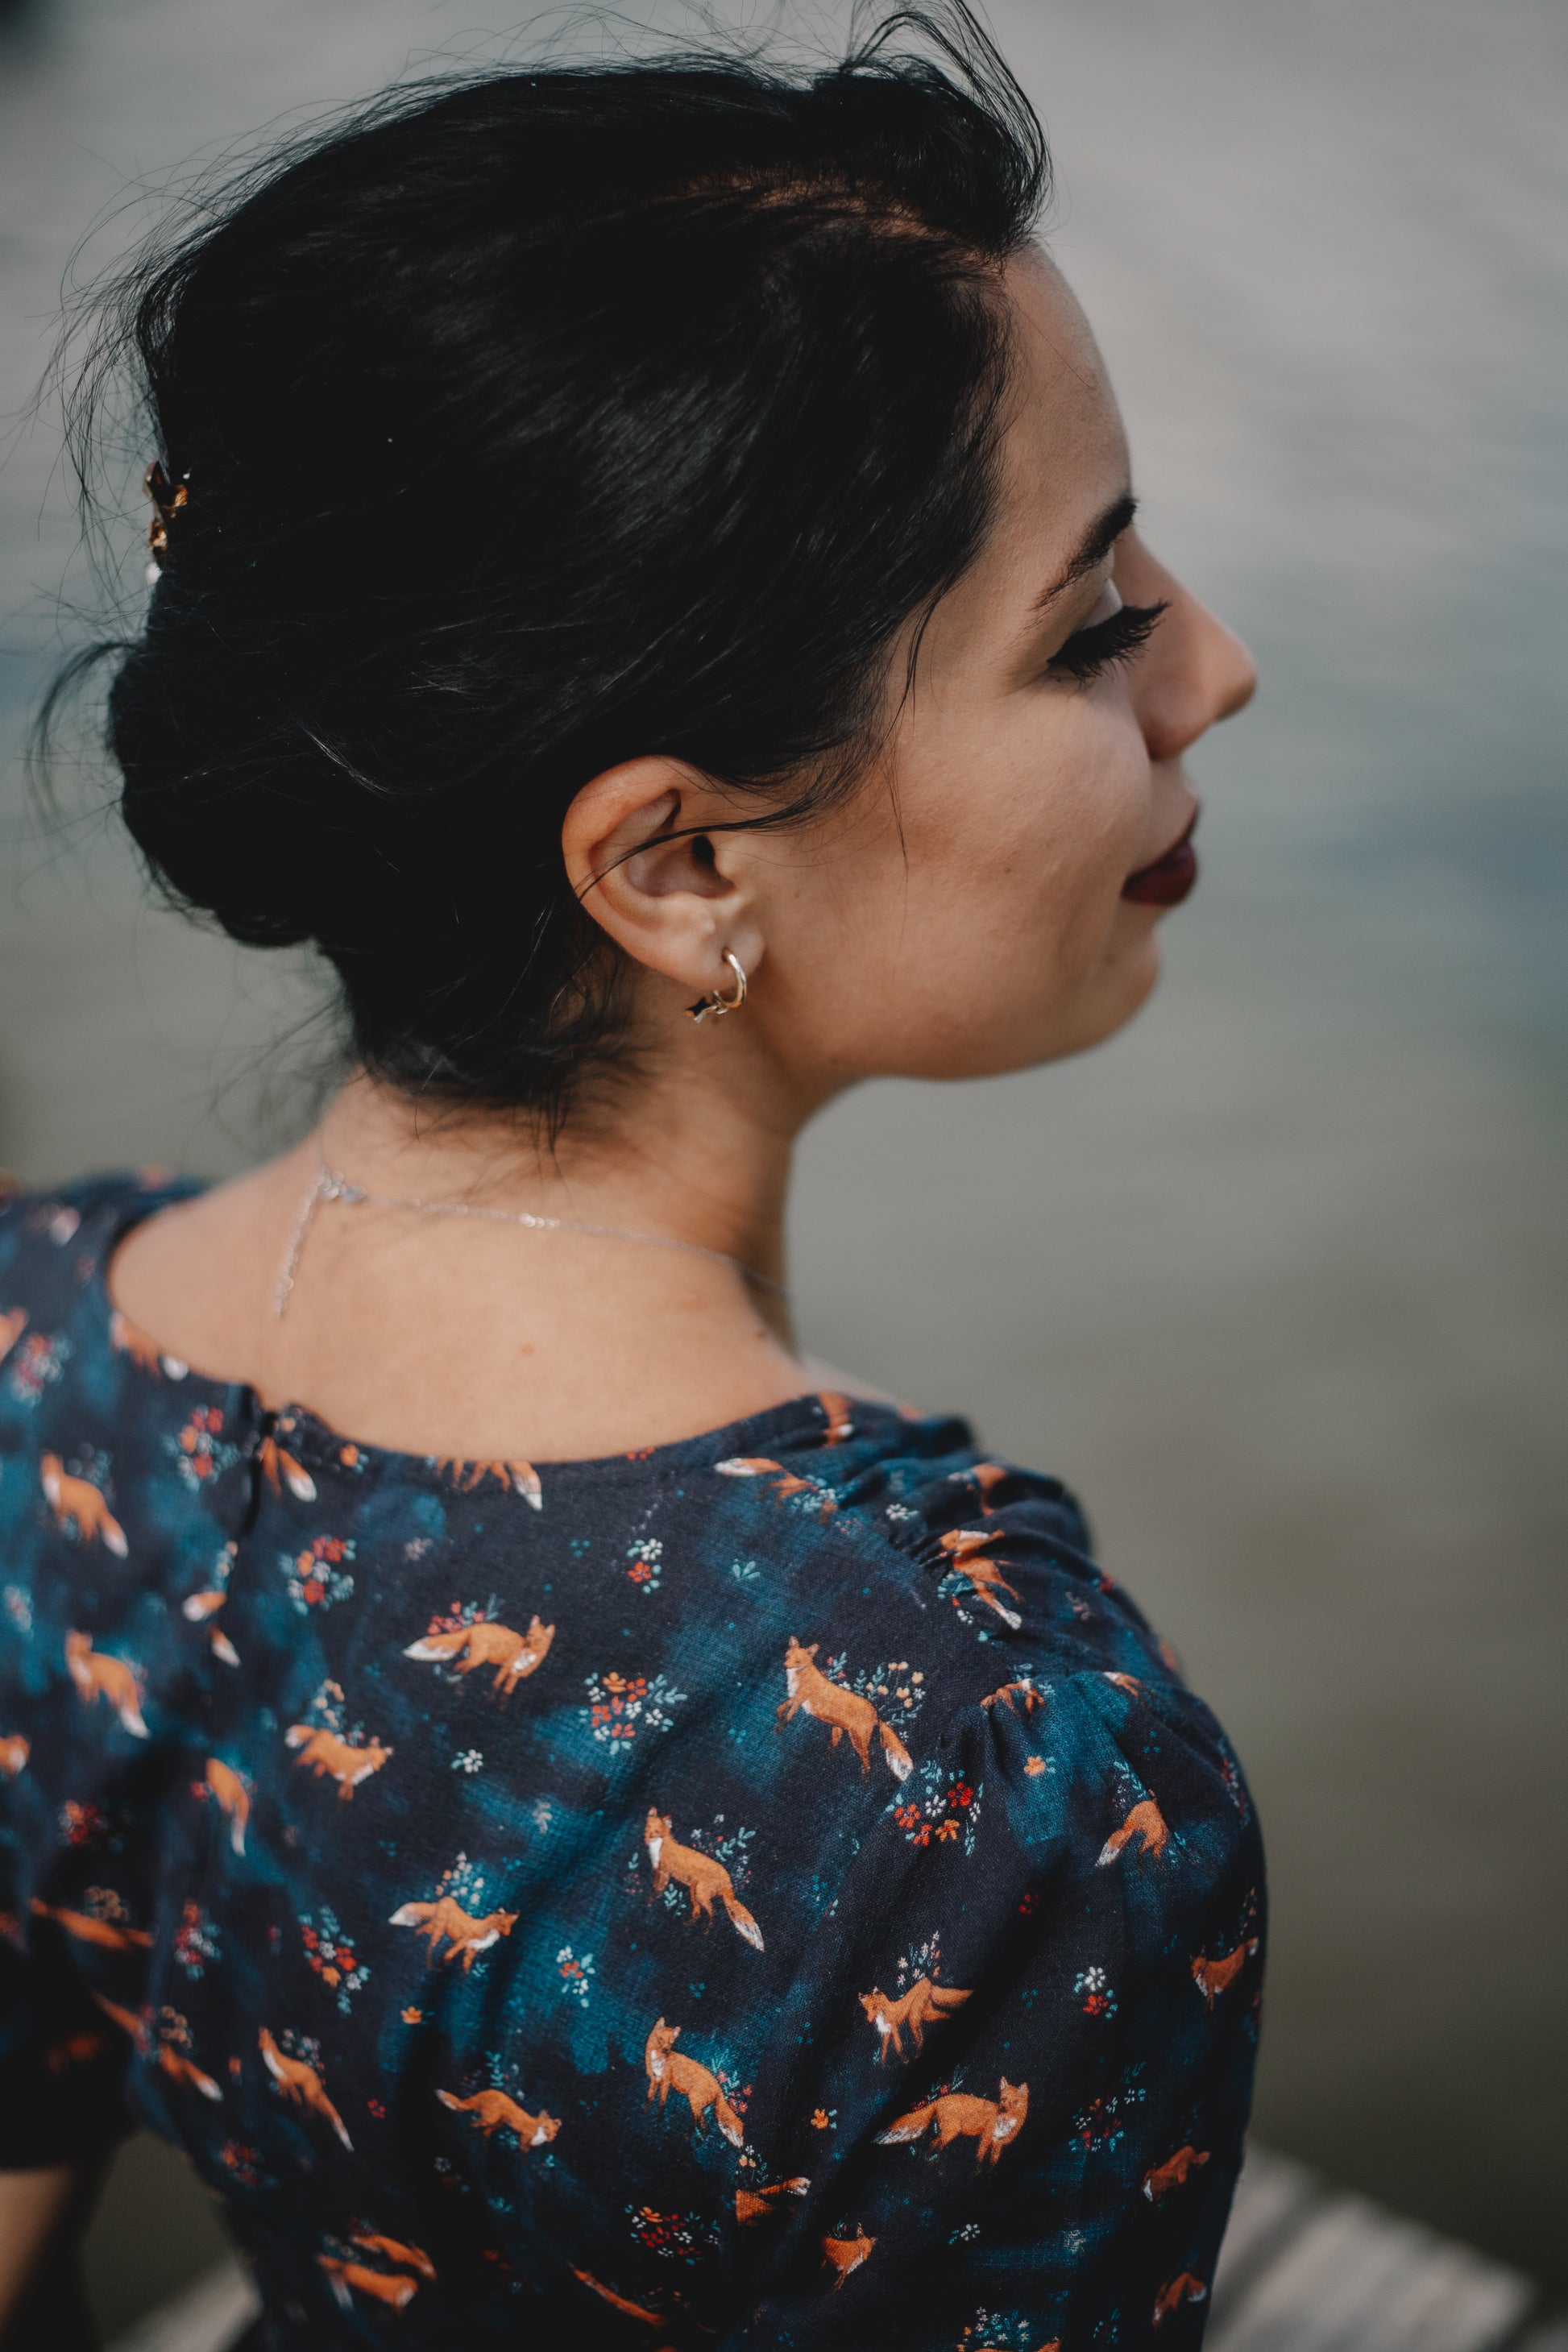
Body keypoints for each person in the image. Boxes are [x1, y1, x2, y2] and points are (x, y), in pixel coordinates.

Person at [0, 6, 1261, 2343]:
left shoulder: (36, 1381)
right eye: (1091, 624)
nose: (1218, 668)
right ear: (675, 861)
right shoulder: (988, 1791)